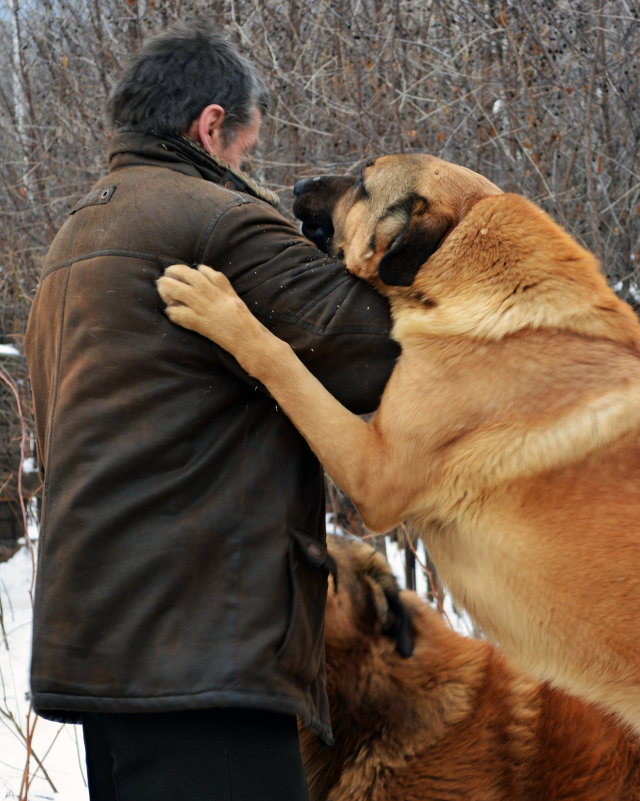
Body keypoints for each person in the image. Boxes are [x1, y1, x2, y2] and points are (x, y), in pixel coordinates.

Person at [24, 22, 399, 801]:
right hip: (203, 659)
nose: (245, 170)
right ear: (210, 125)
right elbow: (376, 353)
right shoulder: (217, 221)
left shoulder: (69, 246)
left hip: (97, 655)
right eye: (245, 151)